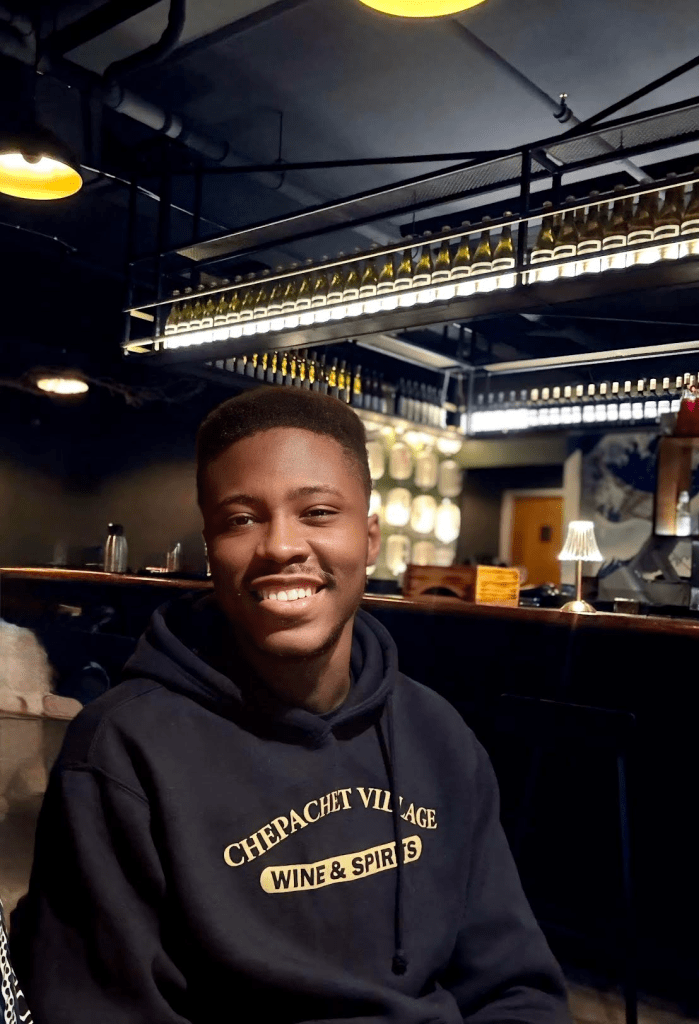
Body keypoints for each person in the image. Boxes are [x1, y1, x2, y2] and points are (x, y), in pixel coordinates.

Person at [11, 385, 571, 1024]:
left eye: (319, 512)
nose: (280, 546)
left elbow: (516, 989)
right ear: (210, 548)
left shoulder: (439, 735)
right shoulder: (122, 753)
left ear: (370, 540)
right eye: (241, 519)